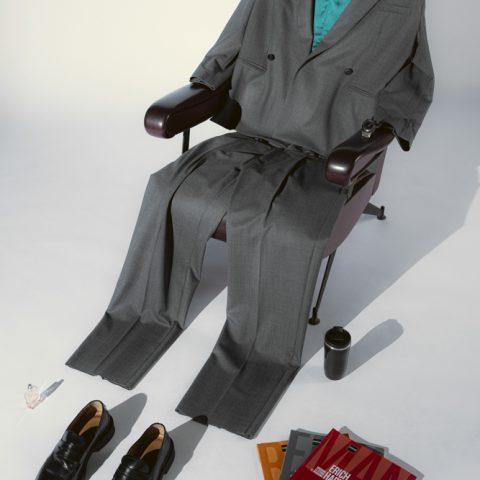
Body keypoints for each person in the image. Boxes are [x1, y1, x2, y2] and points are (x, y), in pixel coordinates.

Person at [66, 0, 435, 439]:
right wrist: (202, 87)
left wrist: (376, 135)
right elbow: (230, 45)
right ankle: (136, 322)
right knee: (167, 189)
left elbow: (413, 80)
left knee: (287, 227)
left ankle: (250, 372)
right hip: (255, 128)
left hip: (332, 150)